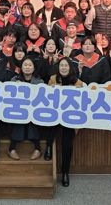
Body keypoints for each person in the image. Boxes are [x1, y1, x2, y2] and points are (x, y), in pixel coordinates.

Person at [46, 57, 84, 187]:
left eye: (66, 65)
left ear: (70, 68)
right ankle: (48, 147)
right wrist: (51, 89)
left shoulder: (78, 82)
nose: (63, 68)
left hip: (70, 117)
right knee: (51, 125)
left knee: (67, 145)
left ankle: (65, 172)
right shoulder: (52, 79)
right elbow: (46, 97)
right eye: (61, 65)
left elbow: (82, 100)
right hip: (55, 115)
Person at [8, 57, 44, 161]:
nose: (27, 67)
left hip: (34, 112)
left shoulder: (40, 82)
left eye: (30, 65)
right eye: (25, 65)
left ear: (34, 68)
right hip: (17, 112)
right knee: (21, 117)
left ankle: (37, 148)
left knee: (32, 118)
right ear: (21, 67)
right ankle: (12, 148)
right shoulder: (14, 80)